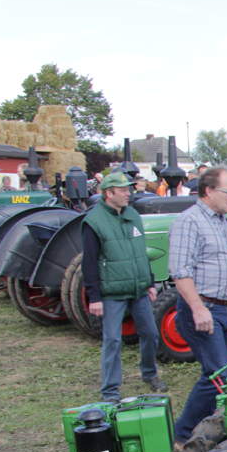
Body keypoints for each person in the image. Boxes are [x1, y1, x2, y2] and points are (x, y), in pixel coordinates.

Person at [168, 165, 227, 447]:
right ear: (209, 191)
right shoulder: (189, 221)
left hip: (225, 308)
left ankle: (209, 428)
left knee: (221, 375)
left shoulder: (223, 222)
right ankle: (182, 435)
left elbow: (225, 258)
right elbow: (180, 272)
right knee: (218, 376)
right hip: (204, 309)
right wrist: (198, 308)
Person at [81, 171, 166, 401]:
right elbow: (89, 262)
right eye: (123, 190)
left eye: (128, 189)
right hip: (112, 292)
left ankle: (149, 373)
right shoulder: (94, 222)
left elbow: (141, 252)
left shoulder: (132, 215)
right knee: (112, 340)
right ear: (109, 194)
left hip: (138, 288)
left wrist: (149, 281)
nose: (128, 193)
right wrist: (94, 297)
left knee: (150, 333)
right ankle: (110, 391)